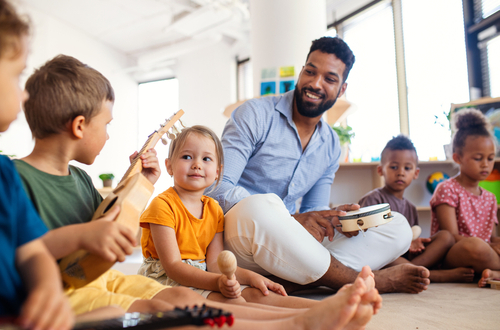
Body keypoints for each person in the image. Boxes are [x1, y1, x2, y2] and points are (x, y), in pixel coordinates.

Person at [14, 53, 382, 330]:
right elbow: (22, 252)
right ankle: (292, 325)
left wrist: (141, 182)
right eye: (106, 124)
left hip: (103, 277)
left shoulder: (80, 180)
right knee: (164, 310)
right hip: (61, 291)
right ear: (79, 126)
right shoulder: (15, 179)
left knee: (180, 298)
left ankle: (315, 311)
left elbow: (108, 230)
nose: (109, 134)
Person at [207, 36, 430, 294]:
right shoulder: (255, 114)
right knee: (260, 206)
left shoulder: (331, 144)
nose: (315, 83)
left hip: (289, 248)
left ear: (342, 89)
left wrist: (336, 220)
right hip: (241, 237)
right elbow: (218, 188)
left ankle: (295, 280)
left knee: (398, 226)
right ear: (302, 71)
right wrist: (289, 220)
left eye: (329, 78)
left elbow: (315, 210)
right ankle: (365, 281)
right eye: (310, 72)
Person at [139, 125, 317, 309]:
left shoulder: (214, 210)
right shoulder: (162, 205)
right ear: (169, 166)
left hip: (202, 275)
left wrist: (253, 277)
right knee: (235, 302)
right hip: (166, 283)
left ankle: (322, 310)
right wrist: (217, 283)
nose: (197, 164)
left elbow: (215, 264)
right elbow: (173, 268)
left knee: (257, 293)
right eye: (186, 157)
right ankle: (292, 322)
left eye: (206, 158)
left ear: (217, 172)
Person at [0, 1, 74, 329]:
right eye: (17, 75)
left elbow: (33, 253)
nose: (24, 94)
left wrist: (46, 288)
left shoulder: (4, 175)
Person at [359, 135, 475, 284]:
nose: (401, 172)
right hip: (383, 256)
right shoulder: (373, 199)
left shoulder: (411, 208)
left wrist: (416, 242)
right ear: (381, 170)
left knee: (446, 237)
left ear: (416, 173)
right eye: (394, 167)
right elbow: (366, 240)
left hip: (405, 256)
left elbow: (413, 235)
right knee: (386, 258)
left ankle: (413, 270)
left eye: (407, 168)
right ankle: (435, 276)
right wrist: (405, 243)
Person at [430, 109, 500, 288]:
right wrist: (489, 247)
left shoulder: (491, 198)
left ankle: (494, 273)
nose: (486, 164)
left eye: (490, 158)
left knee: (481, 247)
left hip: (485, 253)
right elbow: (451, 237)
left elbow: (493, 238)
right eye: (478, 158)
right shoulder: (447, 189)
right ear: (457, 158)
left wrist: (495, 245)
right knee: (475, 247)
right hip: (455, 254)